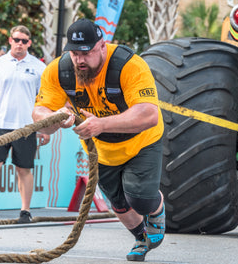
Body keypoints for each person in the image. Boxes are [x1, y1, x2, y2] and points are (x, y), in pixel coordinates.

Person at [33, 18, 165, 262]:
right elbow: (39, 114)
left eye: (87, 53)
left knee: (140, 198)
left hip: (141, 142)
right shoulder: (58, 70)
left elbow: (149, 114)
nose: (80, 60)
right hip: (101, 149)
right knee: (119, 203)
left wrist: (102, 123)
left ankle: (156, 208)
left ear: (102, 46)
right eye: (74, 53)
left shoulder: (129, 65)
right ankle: (140, 238)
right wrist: (55, 117)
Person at [0, 25, 48, 224]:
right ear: (10, 40)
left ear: (29, 43)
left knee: (24, 169)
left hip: (26, 125)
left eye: (24, 41)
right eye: (17, 40)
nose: (20, 44)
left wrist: (45, 128)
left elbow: (45, 100)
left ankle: (25, 210)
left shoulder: (40, 67)